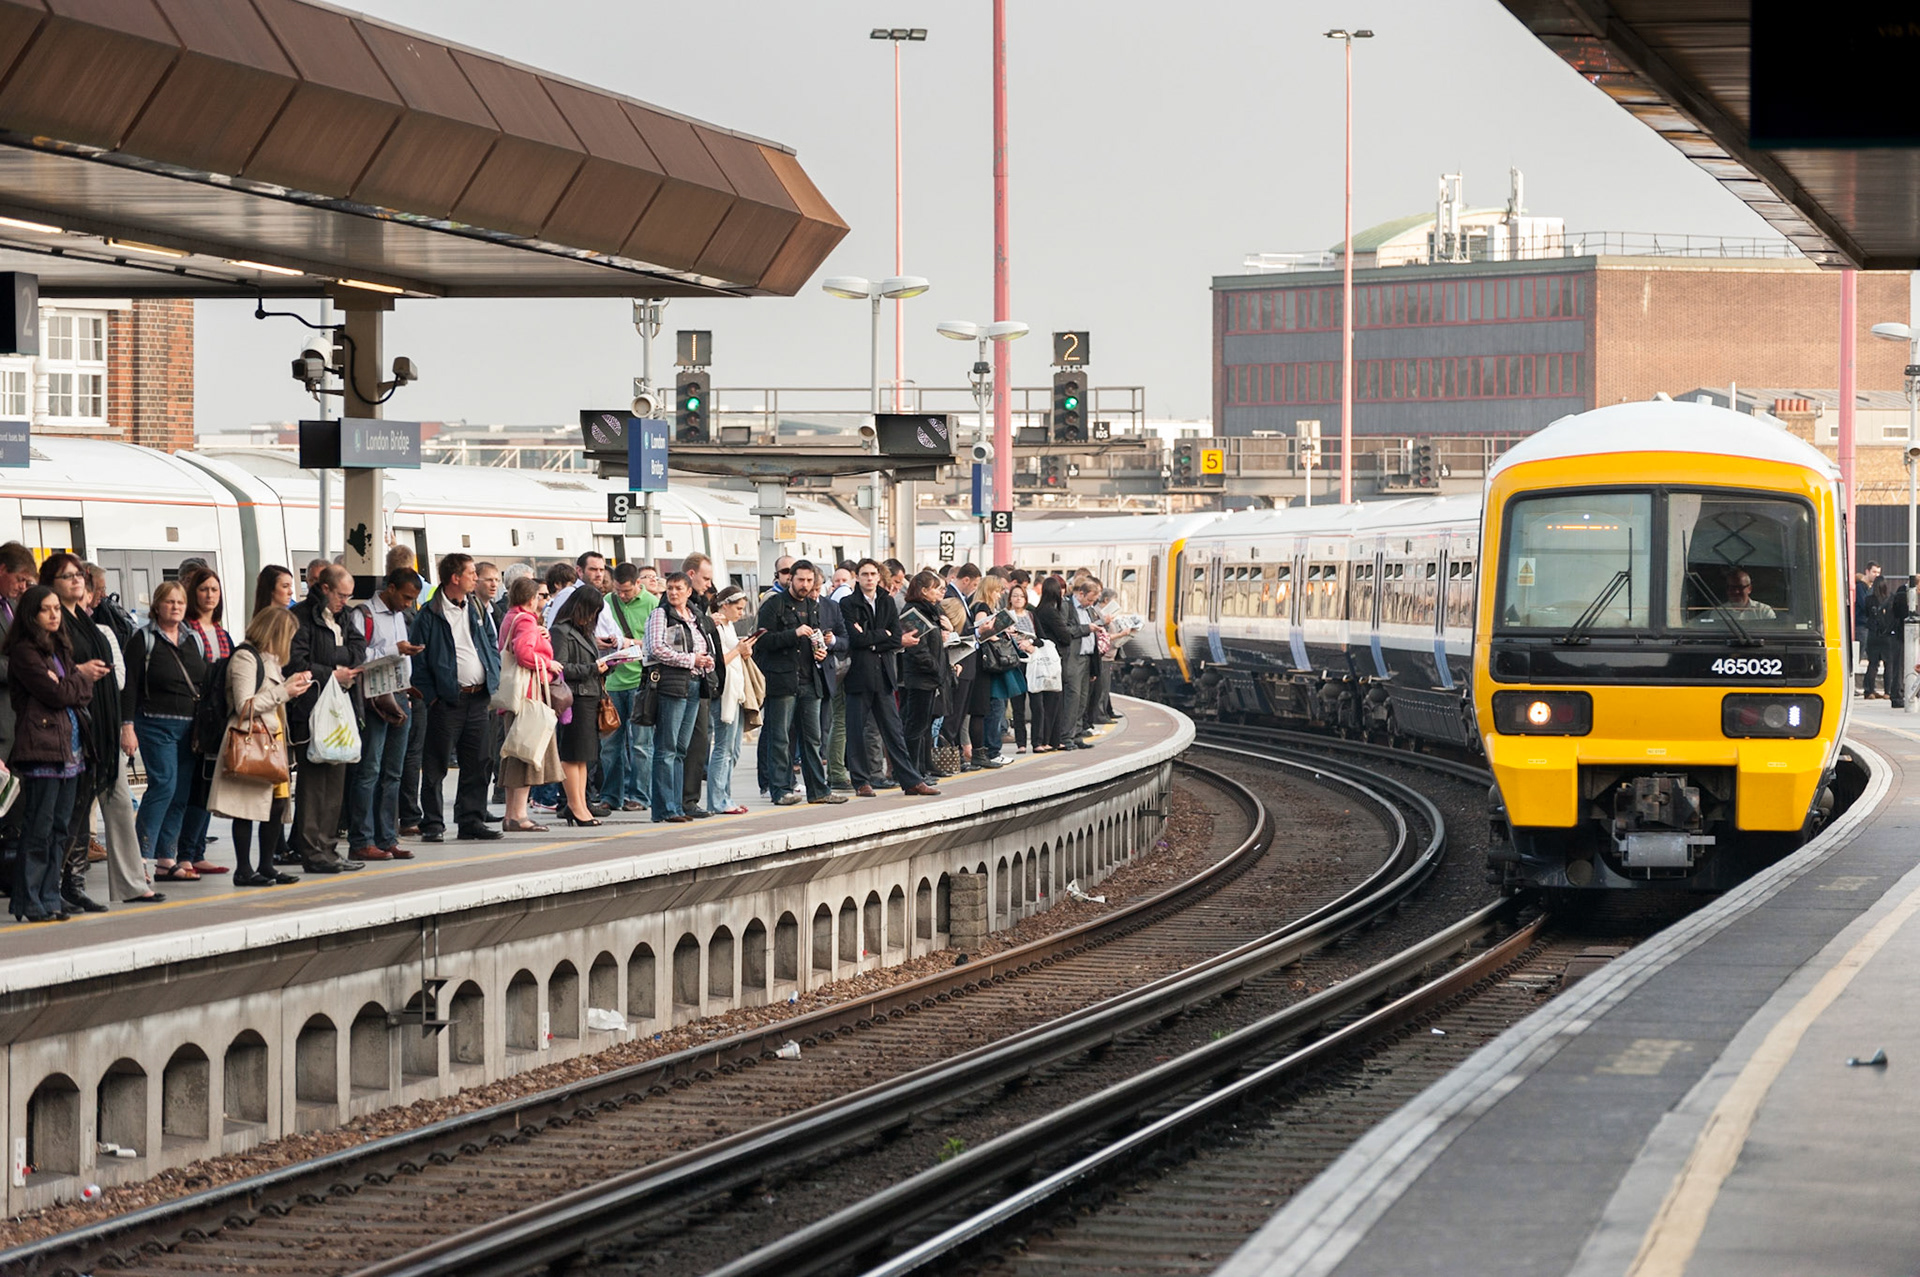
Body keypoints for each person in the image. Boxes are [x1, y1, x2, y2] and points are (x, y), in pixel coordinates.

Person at [7, 584, 108, 921]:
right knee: (39, 825)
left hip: (72, 748)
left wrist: (71, 681)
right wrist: (75, 681)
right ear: (31, 614)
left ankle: (50, 896)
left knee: (61, 828)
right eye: (46, 609)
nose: (54, 614)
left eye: (56, 608)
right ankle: (29, 899)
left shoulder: (60, 647)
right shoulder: (25, 652)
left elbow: (79, 693)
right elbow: (55, 695)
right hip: (43, 748)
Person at [209, 606, 310, 887]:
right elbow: (244, 705)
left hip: (271, 741)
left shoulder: (270, 659)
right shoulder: (246, 657)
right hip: (251, 739)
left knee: (275, 806)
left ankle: (267, 865)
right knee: (246, 806)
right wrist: (284, 691)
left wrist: (290, 686)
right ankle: (243, 869)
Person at [43, 553, 121, 911]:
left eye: (79, 575)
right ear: (51, 583)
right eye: (67, 576)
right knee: (67, 812)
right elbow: (48, 669)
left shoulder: (85, 619)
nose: (76, 580)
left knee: (82, 806)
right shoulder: (55, 622)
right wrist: (80, 671)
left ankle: (74, 882)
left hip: (96, 720)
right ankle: (54, 885)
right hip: (72, 722)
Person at [410, 553, 503, 843]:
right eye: (471, 573)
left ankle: (471, 820)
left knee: (478, 761)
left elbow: (490, 642)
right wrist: (433, 697)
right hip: (446, 701)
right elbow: (418, 660)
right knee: (436, 763)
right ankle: (433, 823)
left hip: (478, 697)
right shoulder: (429, 613)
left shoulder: (475, 607)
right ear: (455, 577)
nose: (476, 578)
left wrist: (493, 671)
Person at [122, 579, 210, 881]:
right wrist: (127, 726)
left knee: (181, 792)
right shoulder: (143, 640)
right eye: (169, 601)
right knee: (164, 786)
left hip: (190, 728)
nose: (175, 607)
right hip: (155, 723)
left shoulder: (193, 639)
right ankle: (139, 858)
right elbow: (129, 686)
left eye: (180, 602)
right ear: (157, 606)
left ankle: (165, 859)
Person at [286, 564, 365, 873]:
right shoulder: (302, 617)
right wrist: (332, 672)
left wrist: (334, 662)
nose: (345, 601)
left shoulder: (345, 616)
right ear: (325, 588)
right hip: (310, 707)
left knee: (336, 782)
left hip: (340, 706)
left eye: (349, 596)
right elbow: (296, 662)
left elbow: (358, 650)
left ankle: (329, 847)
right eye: (341, 595)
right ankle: (311, 851)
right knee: (313, 784)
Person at [842, 559, 937, 798]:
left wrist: (873, 640)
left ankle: (911, 781)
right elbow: (855, 639)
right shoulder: (848, 603)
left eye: (873, 574)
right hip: (859, 675)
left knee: (894, 731)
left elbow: (895, 637)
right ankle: (861, 781)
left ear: (878, 577)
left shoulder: (886, 601)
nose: (869, 578)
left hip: (884, 674)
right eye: (865, 574)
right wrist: (880, 636)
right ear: (857, 577)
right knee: (856, 731)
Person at [349, 568, 424, 862]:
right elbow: (357, 656)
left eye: (412, 599)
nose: (408, 604)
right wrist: (394, 649)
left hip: (399, 694)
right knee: (369, 770)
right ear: (390, 588)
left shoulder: (399, 616)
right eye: (405, 597)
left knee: (393, 772)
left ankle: (387, 838)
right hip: (374, 699)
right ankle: (362, 839)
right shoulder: (364, 615)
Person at [755, 561, 842, 806]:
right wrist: (793, 634)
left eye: (809, 581)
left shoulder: (813, 606)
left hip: (810, 680)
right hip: (782, 680)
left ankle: (819, 790)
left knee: (813, 739)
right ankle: (780, 790)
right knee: (780, 738)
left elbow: (815, 639)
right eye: (801, 580)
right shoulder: (774, 604)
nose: (805, 585)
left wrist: (820, 651)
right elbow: (763, 641)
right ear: (790, 579)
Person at [175, 564, 233, 875]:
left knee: (208, 785)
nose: (210, 595)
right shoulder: (186, 631)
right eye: (203, 589)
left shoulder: (223, 634)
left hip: (216, 719)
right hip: (192, 718)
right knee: (189, 786)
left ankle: (196, 852)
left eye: (214, 589)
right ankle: (183, 853)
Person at [645, 571, 714, 823]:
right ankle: (665, 809)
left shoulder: (695, 616)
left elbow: (704, 645)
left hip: (695, 683)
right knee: (666, 747)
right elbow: (656, 648)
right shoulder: (661, 614)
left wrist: (706, 661)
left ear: (688, 591)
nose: (673, 593)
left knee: (681, 748)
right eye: (670, 588)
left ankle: (677, 805)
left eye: (678, 588)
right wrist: (690, 660)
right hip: (671, 685)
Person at [495, 574, 562, 832]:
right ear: (532, 599)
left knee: (514, 754)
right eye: (541, 596)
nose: (543, 600)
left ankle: (511, 815)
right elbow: (524, 654)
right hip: (528, 695)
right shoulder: (525, 620)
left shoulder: (510, 617)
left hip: (514, 696)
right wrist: (548, 663)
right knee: (526, 753)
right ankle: (519, 815)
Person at [551, 583, 613, 826]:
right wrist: (591, 668)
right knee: (572, 754)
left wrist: (606, 666)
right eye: (591, 611)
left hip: (589, 696)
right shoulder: (561, 631)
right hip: (574, 699)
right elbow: (560, 667)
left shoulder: (584, 632)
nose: (592, 617)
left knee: (584, 755)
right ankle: (574, 805)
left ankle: (580, 804)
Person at [600, 562, 656, 812]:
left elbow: (657, 642)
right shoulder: (607, 602)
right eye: (618, 591)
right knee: (610, 744)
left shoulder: (652, 604)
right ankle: (611, 795)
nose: (622, 595)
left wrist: (629, 643)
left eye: (627, 591)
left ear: (638, 584)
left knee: (640, 744)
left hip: (639, 682)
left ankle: (639, 796)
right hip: (612, 681)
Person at [706, 585, 758, 815]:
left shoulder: (728, 626)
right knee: (723, 748)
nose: (741, 613)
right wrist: (738, 649)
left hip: (736, 691)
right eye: (738, 608)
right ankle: (717, 800)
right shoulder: (715, 626)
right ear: (724, 606)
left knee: (734, 749)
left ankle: (726, 796)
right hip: (723, 692)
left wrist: (744, 650)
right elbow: (716, 662)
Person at [679, 553, 721, 818]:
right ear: (691, 575)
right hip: (686, 682)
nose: (709, 585)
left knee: (699, 741)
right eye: (705, 578)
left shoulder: (699, 603)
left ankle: (688, 799)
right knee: (688, 743)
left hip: (702, 681)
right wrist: (709, 622)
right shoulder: (679, 607)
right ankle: (685, 800)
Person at [900, 571, 953, 785]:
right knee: (915, 727)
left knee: (923, 728)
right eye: (935, 588)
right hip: (920, 678)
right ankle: (912, 773)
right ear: (923, 591)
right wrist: (936, 669)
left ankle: (922, 769)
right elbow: (918, 649)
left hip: (930, 678)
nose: (939, 592)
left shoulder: (931, 610)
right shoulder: (913, 612)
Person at [967, 574, 1014, 769]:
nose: (999, 595)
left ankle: (988, 751)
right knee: (989, 708)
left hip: (983, 663)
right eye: (997, 591)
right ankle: (988, 751)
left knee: (991, 708)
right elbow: (981, 632)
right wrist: (996, 634)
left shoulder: (979, 606)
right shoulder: (982, 607)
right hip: (985, 664)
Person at [1032, 576, 1083, 751]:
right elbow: (1065, 636)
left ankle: (1051, 740)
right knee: (1053, 700)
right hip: (1053, 659)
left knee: (1049, 701)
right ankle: (1049, 740)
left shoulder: (1039, 610)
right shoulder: (1050, 612)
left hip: (1045, 659)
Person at [1003, 581, 1037, 753]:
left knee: (1036, 704)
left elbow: (1039, 637)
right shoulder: (1005, 616)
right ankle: (1021, 743)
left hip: (1031, 662)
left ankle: (1037, 741)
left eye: (1021, 596)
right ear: (1010, 598)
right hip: (1014, 663)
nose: (1018, 599)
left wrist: (1030, 644)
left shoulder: (1031, 615)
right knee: (1018, 706)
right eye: (1015, 596)